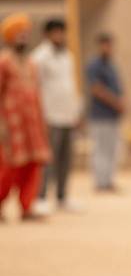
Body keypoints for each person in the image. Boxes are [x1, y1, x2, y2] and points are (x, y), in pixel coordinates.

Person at [0, 13, 50, 221]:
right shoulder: (3, 63)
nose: (23, 38)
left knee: (33, 166)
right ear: (10, 37)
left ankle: (26, 207)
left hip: (32, 126)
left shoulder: (31, 64)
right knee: (7, 167)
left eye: (25, 34)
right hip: (11, 126)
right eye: (19, 34)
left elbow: (36, 94)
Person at [31, 18, 83, 213]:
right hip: (49, 116)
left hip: (67, 115)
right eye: (56, 32)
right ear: (47, 34)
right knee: (47, 159)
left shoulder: (68, 56)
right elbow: (36, 89)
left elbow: (70, 86)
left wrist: (76, 111)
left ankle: (62, 196)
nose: (60, 36)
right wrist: (39, 116)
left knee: (65, 159)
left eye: (62, 32)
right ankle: (41, 196)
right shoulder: (39, 58)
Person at [86, 33, 124, 192]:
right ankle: (100, 181)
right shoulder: (94, 66)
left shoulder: (111, 65)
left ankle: (108, 180)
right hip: (100, 115)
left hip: (112, 116)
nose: (108, 48)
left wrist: (121, 103)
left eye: (110, 45)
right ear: (100, 46)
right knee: (100, 149)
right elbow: (96, 89)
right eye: (105, 45)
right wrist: (116, 103)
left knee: (112, 150)